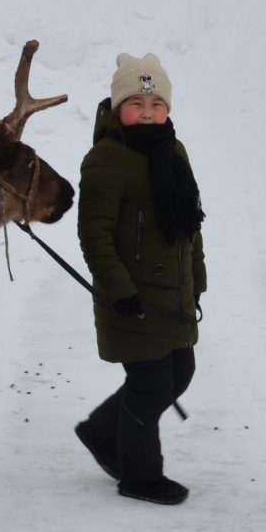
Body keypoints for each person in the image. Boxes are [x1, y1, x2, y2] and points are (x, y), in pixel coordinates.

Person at [75, 53, 206, 505]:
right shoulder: (106, 159)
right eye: (136, 104)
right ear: (117, 111)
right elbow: (95, 234)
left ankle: (100, 431)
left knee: (180, 373)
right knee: (151, 385)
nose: (148, 113)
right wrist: (119, 291)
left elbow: (189, 223)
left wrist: (198, 277)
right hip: (131, 298)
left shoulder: (174, 151)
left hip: (173, 295)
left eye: (157, 105)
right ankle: (140, 475)